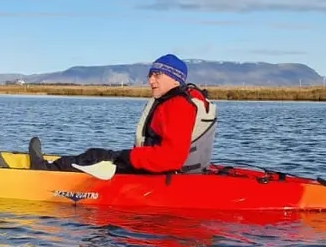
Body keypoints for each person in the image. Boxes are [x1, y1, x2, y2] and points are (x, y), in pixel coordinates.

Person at [21, 54, 217, 175]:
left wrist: (131, 157)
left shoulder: (177, 106)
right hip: (159, 165)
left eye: (157, 75)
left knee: (95, 156)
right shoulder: (181, 101)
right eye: (150, 75)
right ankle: (53, 167)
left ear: (175, 80)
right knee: (99, 155)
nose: (151, 80)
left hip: (162, 169)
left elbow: (171, 158)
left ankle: (44, 171)